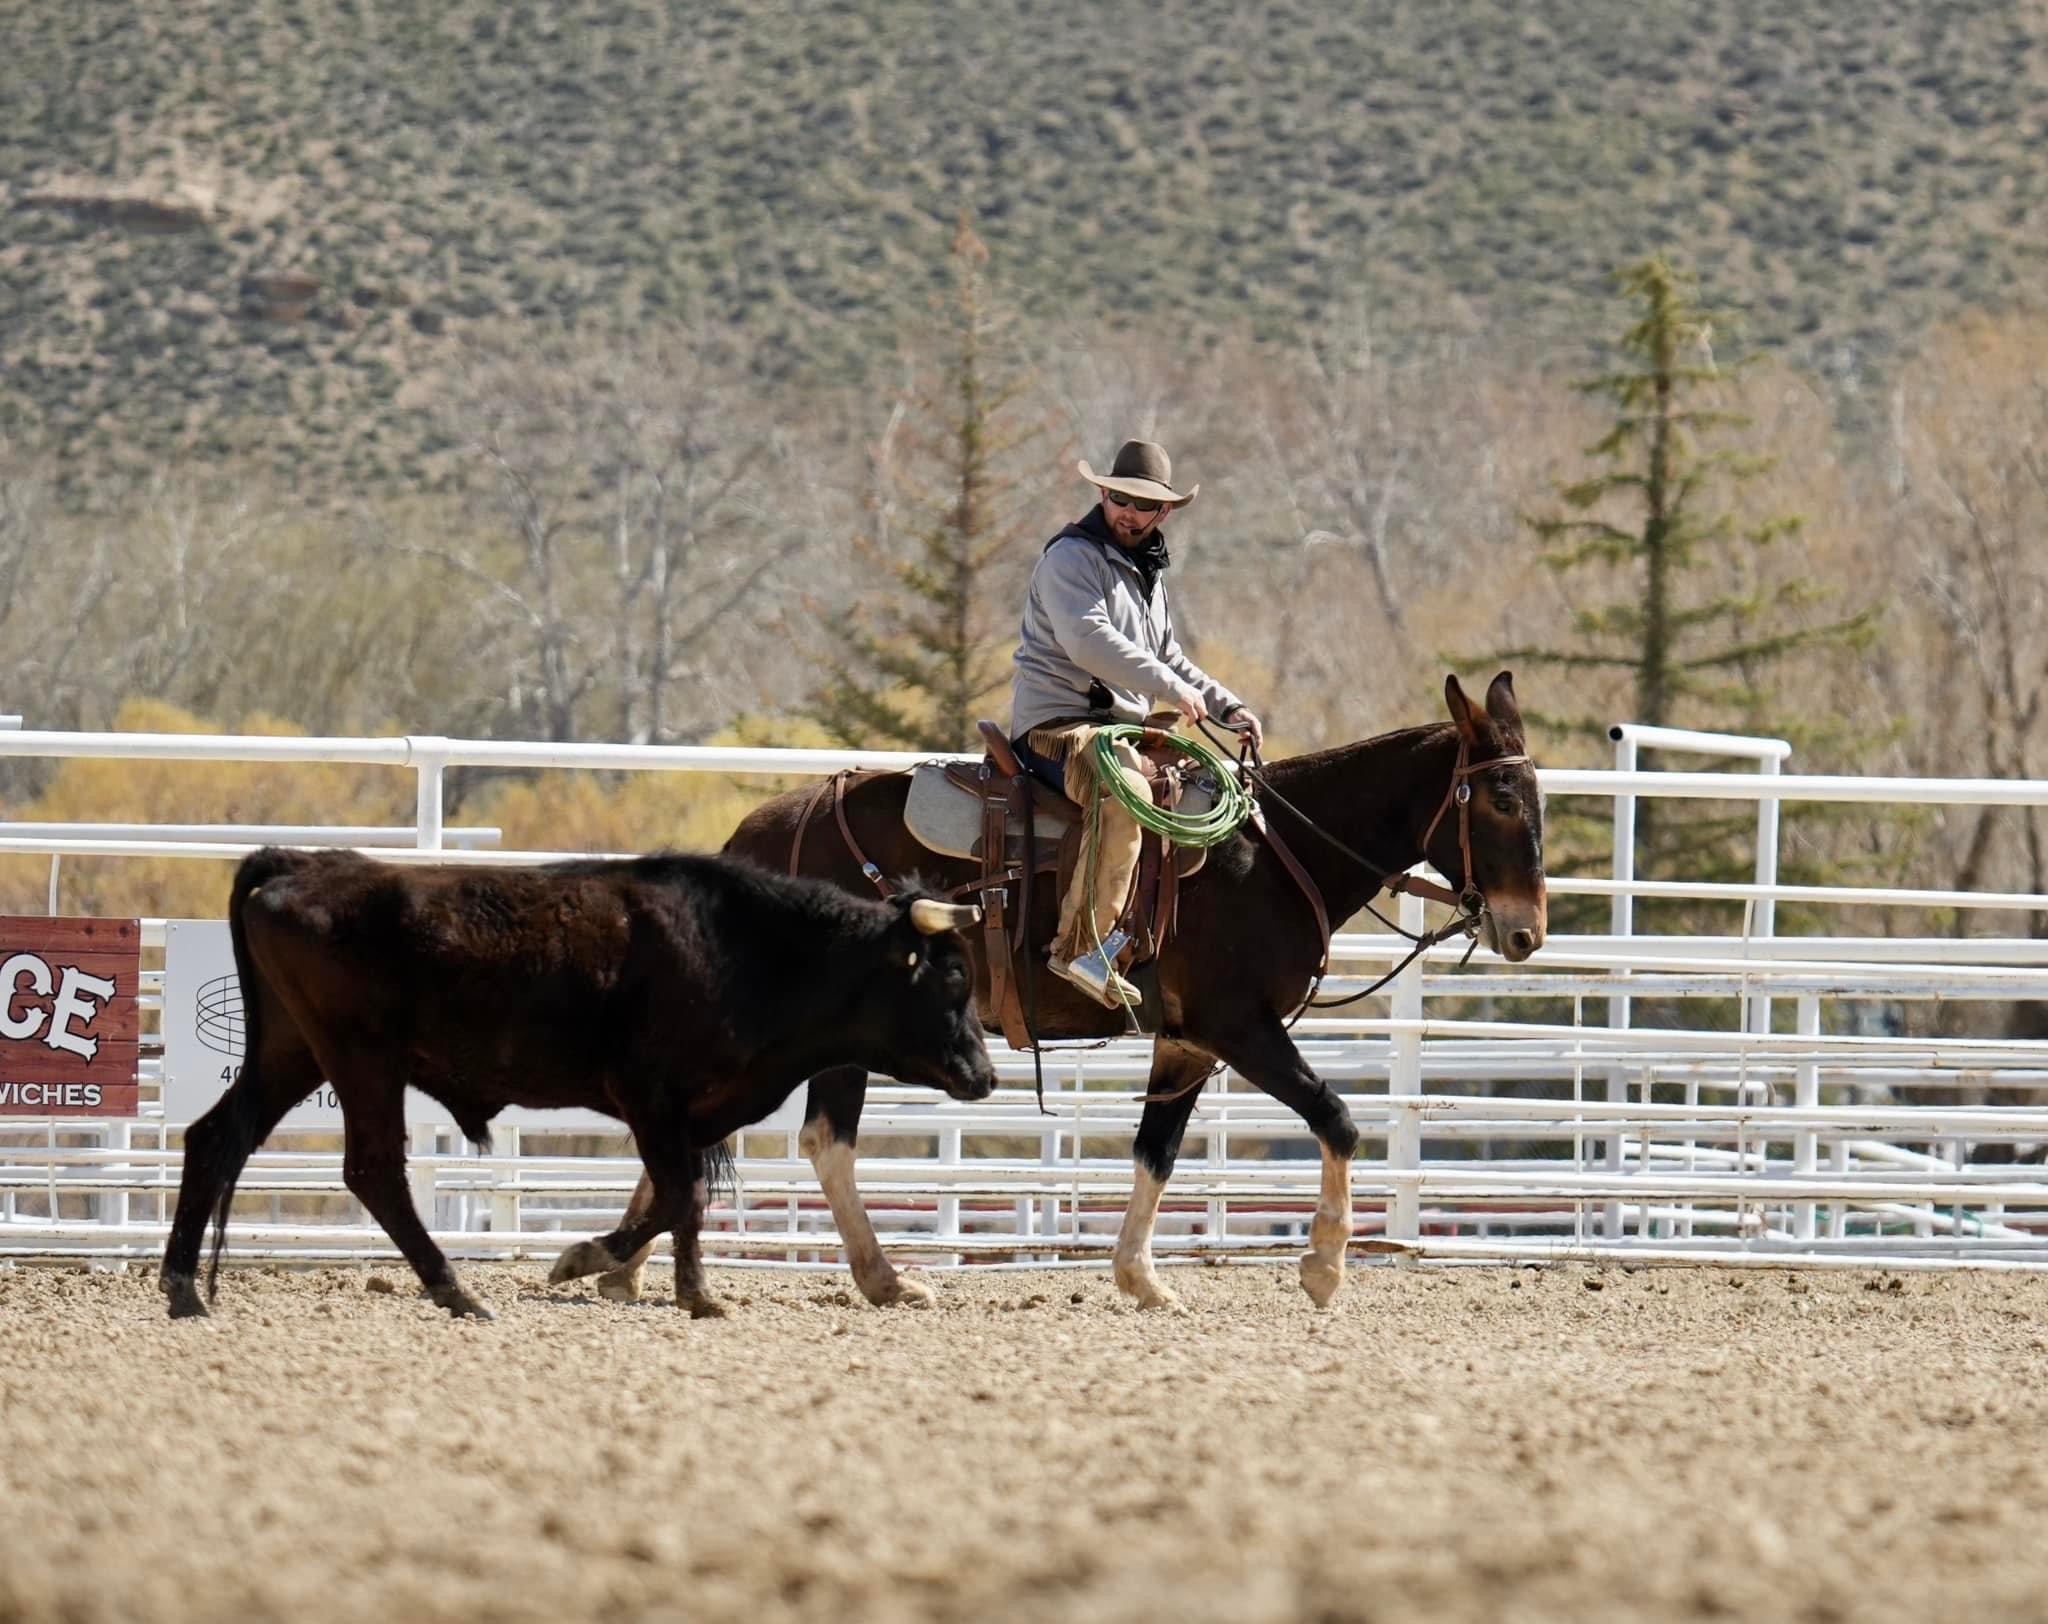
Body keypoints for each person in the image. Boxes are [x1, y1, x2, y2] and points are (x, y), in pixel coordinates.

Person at [1009, 438, 1264, 1009]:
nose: (1127, 511)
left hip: (1117, 728)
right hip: (1058, 727)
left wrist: (1227, 707)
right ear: (1102, 493)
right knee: (1126, 789)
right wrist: (1170, 689)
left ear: (1163, 513)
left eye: (1142, 505)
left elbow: (1169, 657)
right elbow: (1088, 641)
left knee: (1197, 791)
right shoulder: (1071, 558)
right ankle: (1080, 948)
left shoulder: (1146, 575)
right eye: (1119, 498)